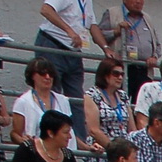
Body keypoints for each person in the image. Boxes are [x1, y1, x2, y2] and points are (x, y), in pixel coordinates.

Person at [35, 0, 109, 140]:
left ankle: (78, 145)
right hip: (53, 44)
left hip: (73, 51)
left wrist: (106, 48)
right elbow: (46, 10)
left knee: (77, 100)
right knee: (52, 94)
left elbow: (92, 25)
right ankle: (50, 140)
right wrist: (69, 30)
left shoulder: (87, 1)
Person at [97, 0, 160, 99]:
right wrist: (116, 32)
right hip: (121, 69)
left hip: (143, 69)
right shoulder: (112, 13)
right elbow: (99, 35)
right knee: (119, 100)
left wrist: (154, 57)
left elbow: (157, 44)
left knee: (140, 105)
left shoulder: (147, 18)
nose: (139, 2)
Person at [82, 57, 131, 149]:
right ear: (105, 75)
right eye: (116, 74)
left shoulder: (123, 96)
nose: (120, 77)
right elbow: (93, 130)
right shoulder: (92, 95)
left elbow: (132, 129)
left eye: (122, 74)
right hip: (102, 149)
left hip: (124, 151)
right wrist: (114, 149)